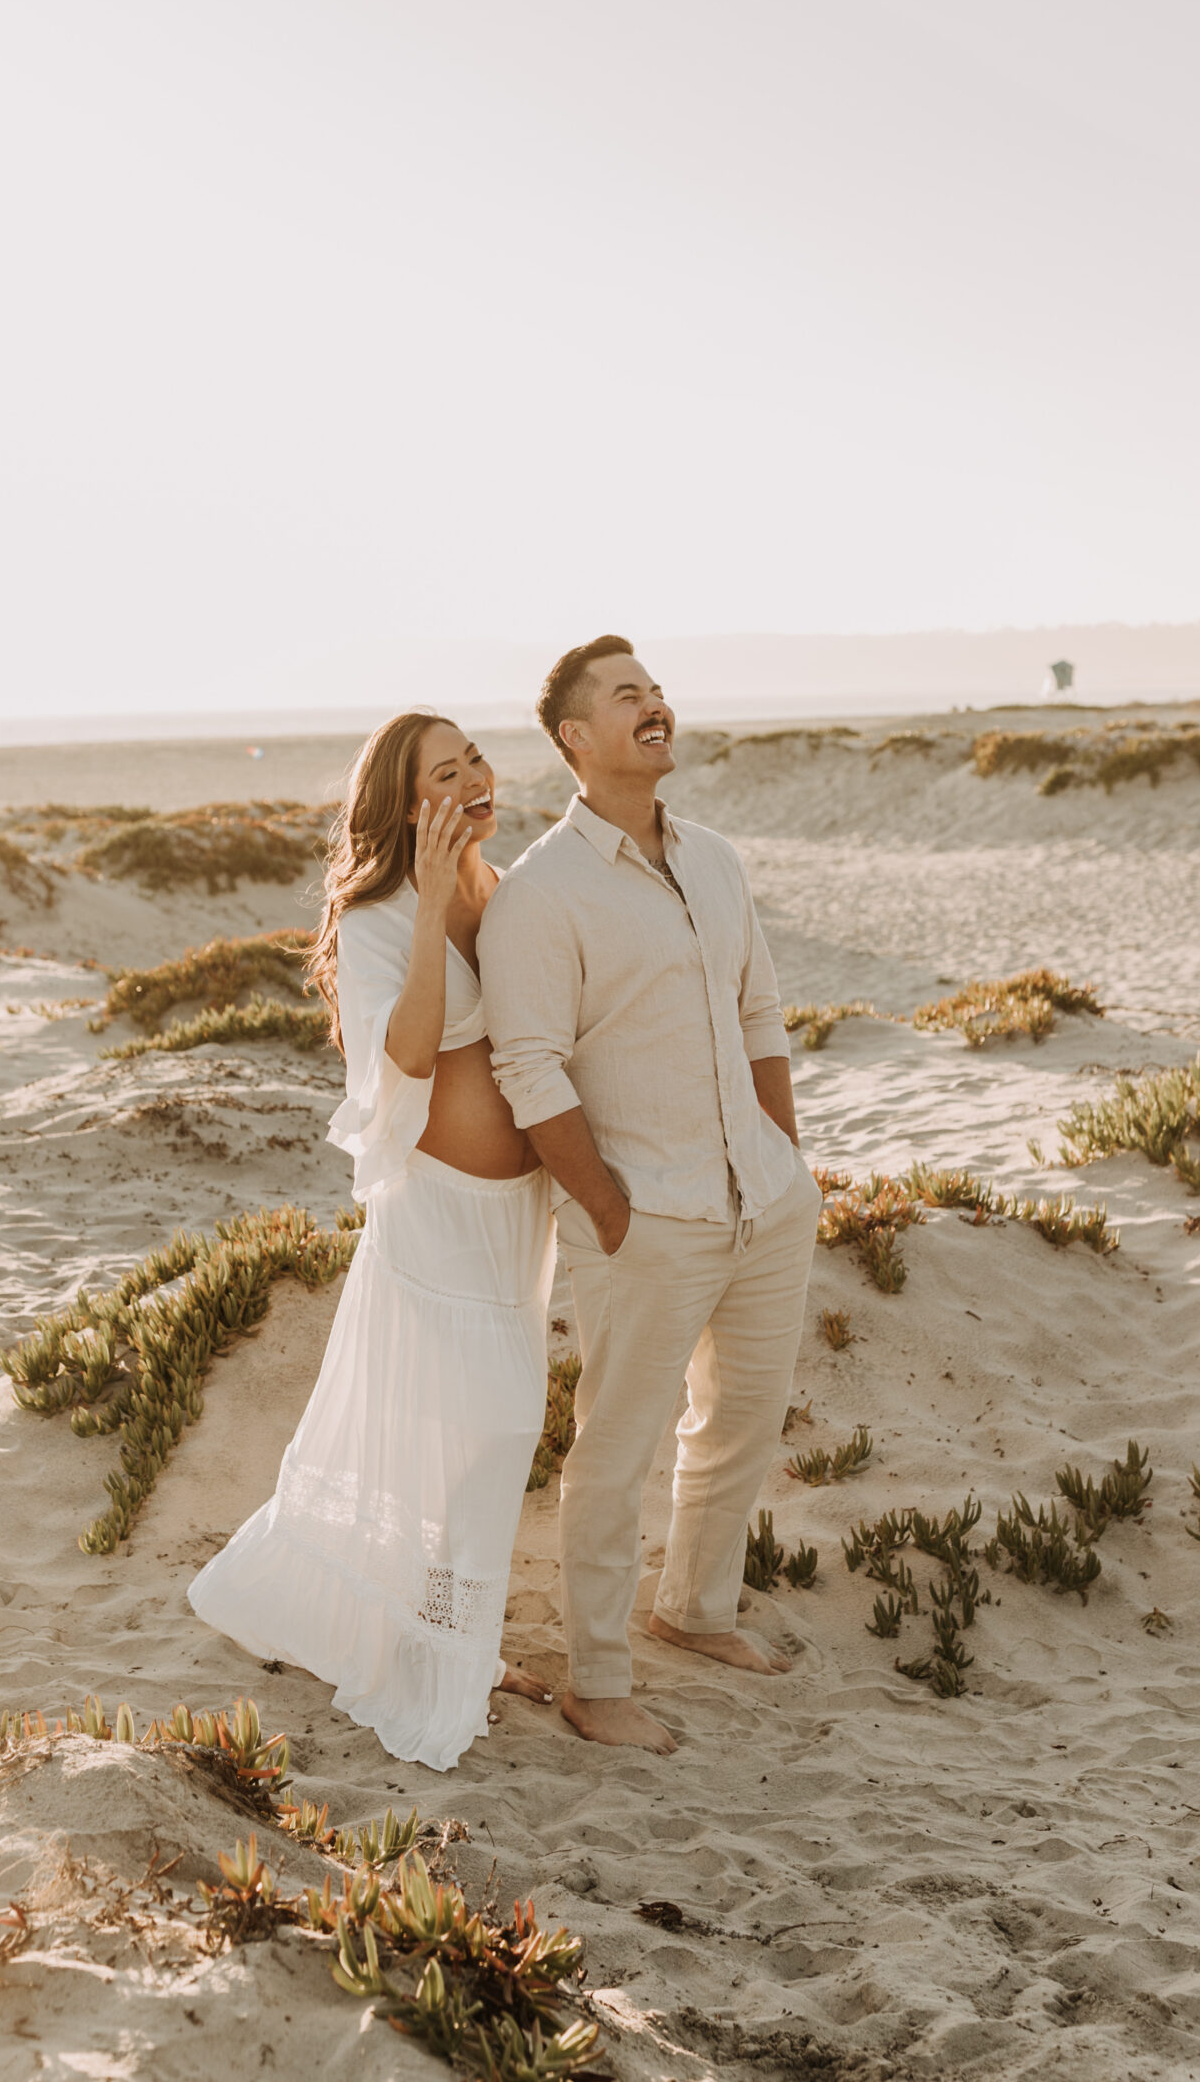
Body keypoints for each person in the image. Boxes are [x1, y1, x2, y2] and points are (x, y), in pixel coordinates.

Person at [187, 712, 556, 1772]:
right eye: (449, 772)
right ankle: (442, 1655)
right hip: (437, 1212)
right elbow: (404, 1051)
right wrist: (435, 904)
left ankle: (455, 1637)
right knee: (480, 1422)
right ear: (408, 804)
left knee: (490, 1432)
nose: (477, 779)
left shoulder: (511, 889)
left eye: (477, 759)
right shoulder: (380, 913)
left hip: (515, 1219)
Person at [478, 636, 821, 1755]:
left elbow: (760, 1013)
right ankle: (598, 1678)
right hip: (648, 1217)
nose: (656, 706)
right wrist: (609, 1209)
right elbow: (526, 1066)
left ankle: (696, 1609)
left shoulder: (716, 859)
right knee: (615, 1453)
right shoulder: (542, 894)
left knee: (742, 1419)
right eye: (628, 696)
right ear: (576, 739)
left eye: (658, 690)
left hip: (760, 1203)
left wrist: (785, 1159)